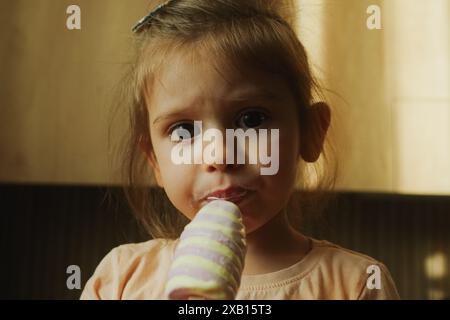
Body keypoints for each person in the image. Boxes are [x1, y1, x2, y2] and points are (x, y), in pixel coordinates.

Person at [81, 0, 399, 299]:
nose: (219, 155)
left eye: (251, 119)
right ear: (155, 161)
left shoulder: (357, 284)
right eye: (184, 130)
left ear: (311, 133)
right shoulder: (122, 278)